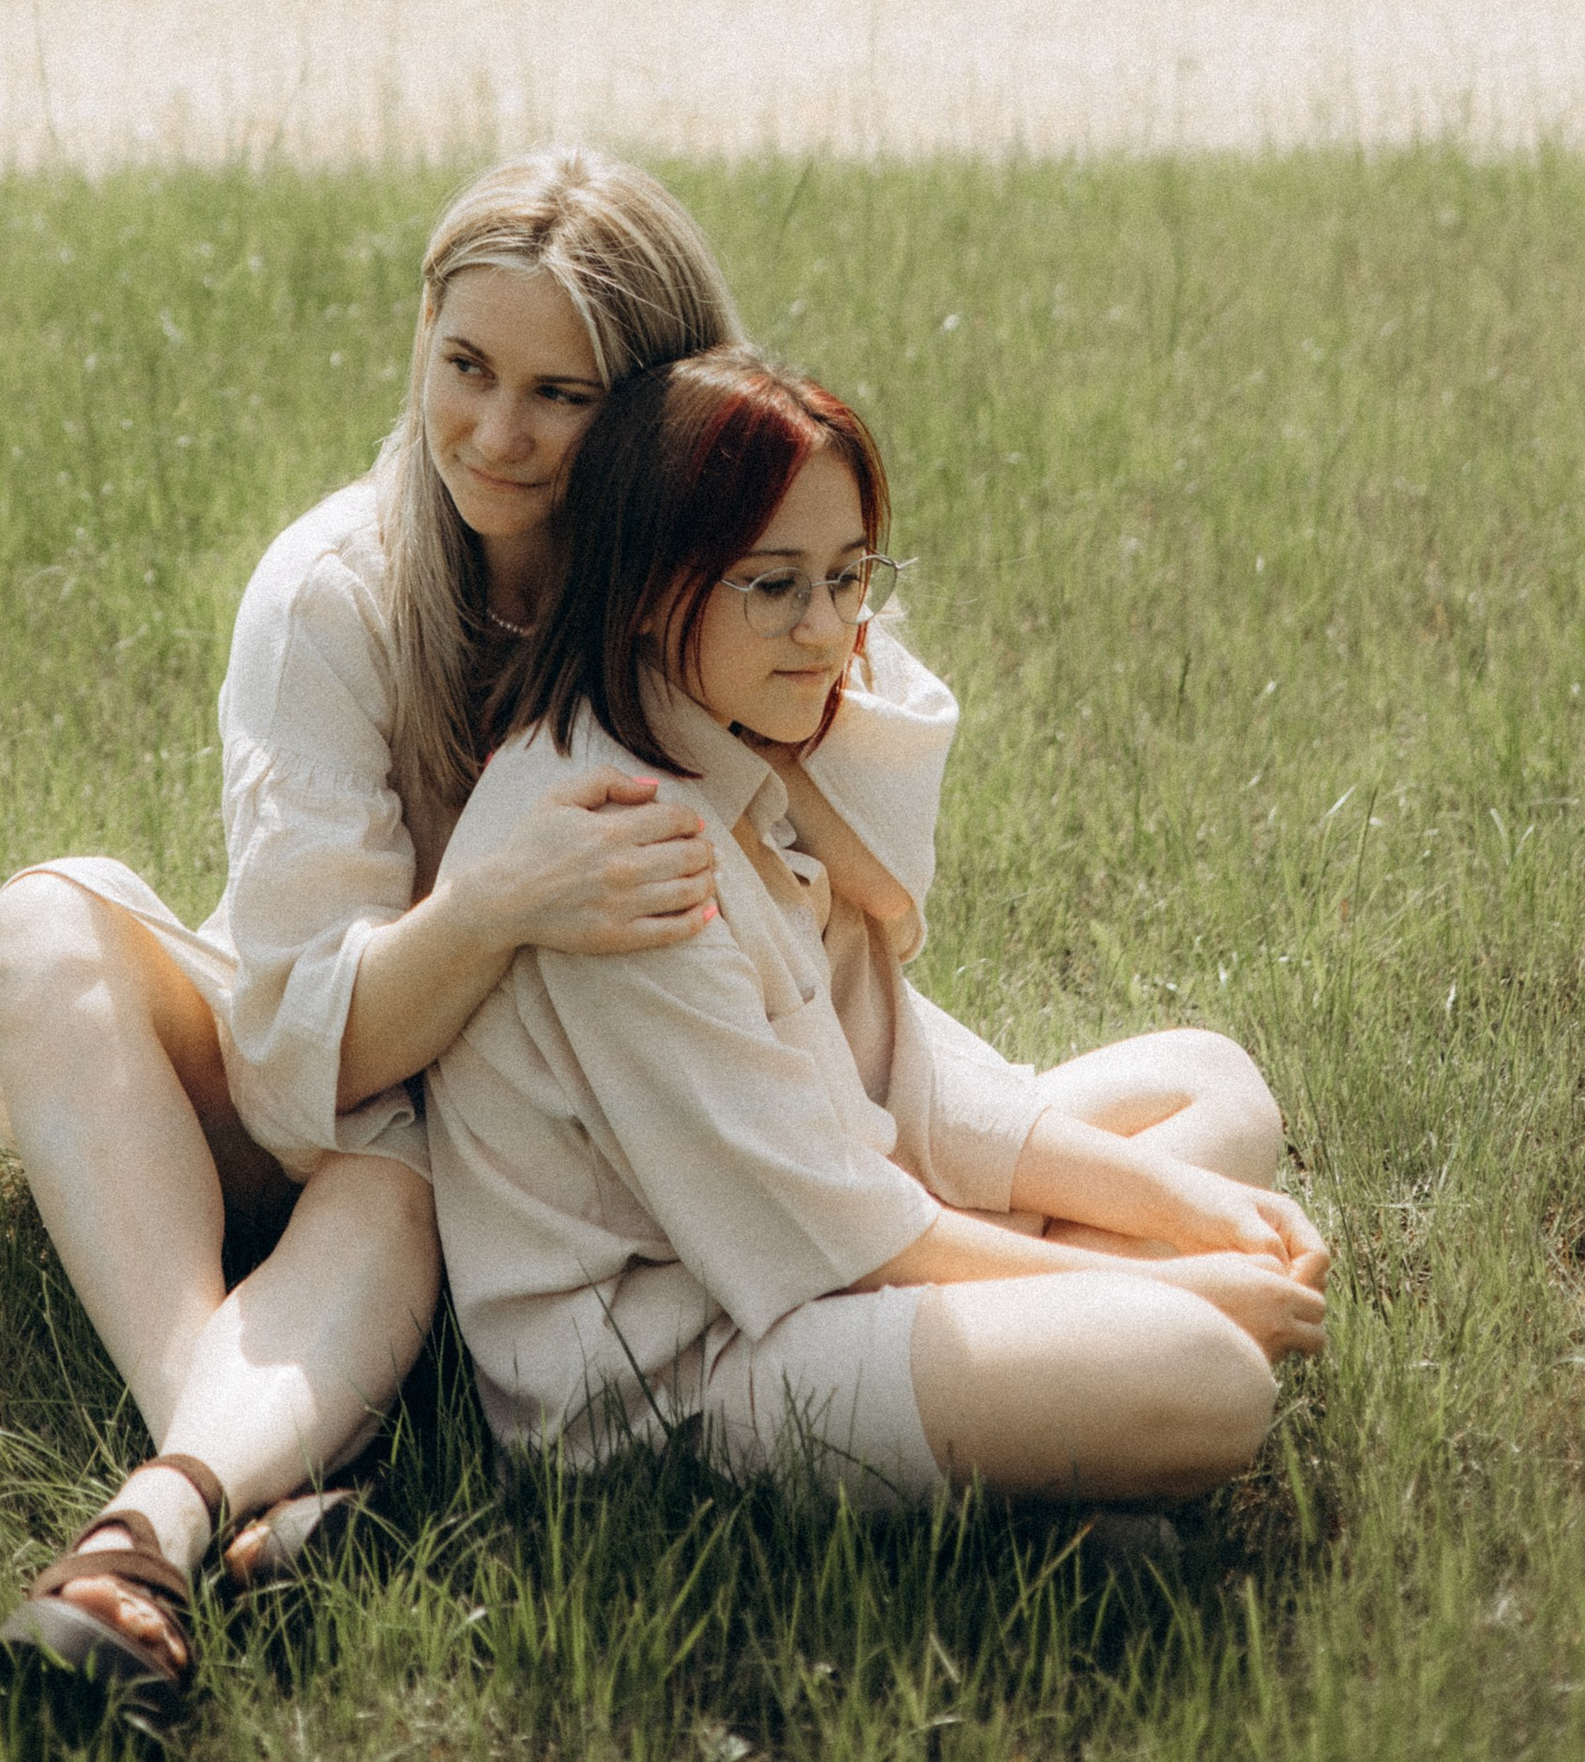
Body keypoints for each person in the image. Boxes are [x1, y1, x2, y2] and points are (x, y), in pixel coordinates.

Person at [0, 148, 741, 1727]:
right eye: (465, 367)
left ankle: (168, 1518)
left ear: (658, 405)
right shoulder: (337, 588)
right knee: (50, 920)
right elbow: (289, 1059)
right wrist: (494, 901)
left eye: (563, 393)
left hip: (562, 1139)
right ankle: (217, 1492)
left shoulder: (723, 587)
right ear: (419, 337)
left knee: (401, 1185)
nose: (495, 433)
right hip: (342, 1092)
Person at [426, 348, 1330, 1514]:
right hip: (687, 1381)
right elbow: (835, 1227)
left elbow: (903, 1087)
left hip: (825, 1246)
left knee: (1215, 1091)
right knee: (1205, 1374)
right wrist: (1196, 1294)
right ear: (652, 585)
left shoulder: (734, 749)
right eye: (775, 585)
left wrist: (1189, 1216)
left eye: (849, 578)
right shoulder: (615, 844)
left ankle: (1057, 1416)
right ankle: (1079, 1406)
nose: (826, 630)